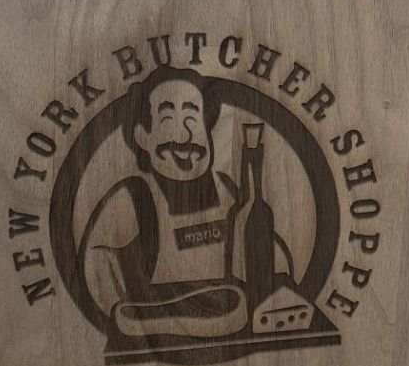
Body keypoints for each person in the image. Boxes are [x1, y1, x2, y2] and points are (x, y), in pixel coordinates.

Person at [77, 67, 291, 342]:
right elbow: (96, 267)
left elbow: (275, 260)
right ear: (143, 136)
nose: (185, 133)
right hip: (159, 348)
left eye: (193, 116)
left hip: (236, 340)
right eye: (167, 118)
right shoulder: (134, 197)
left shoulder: (228, 191)